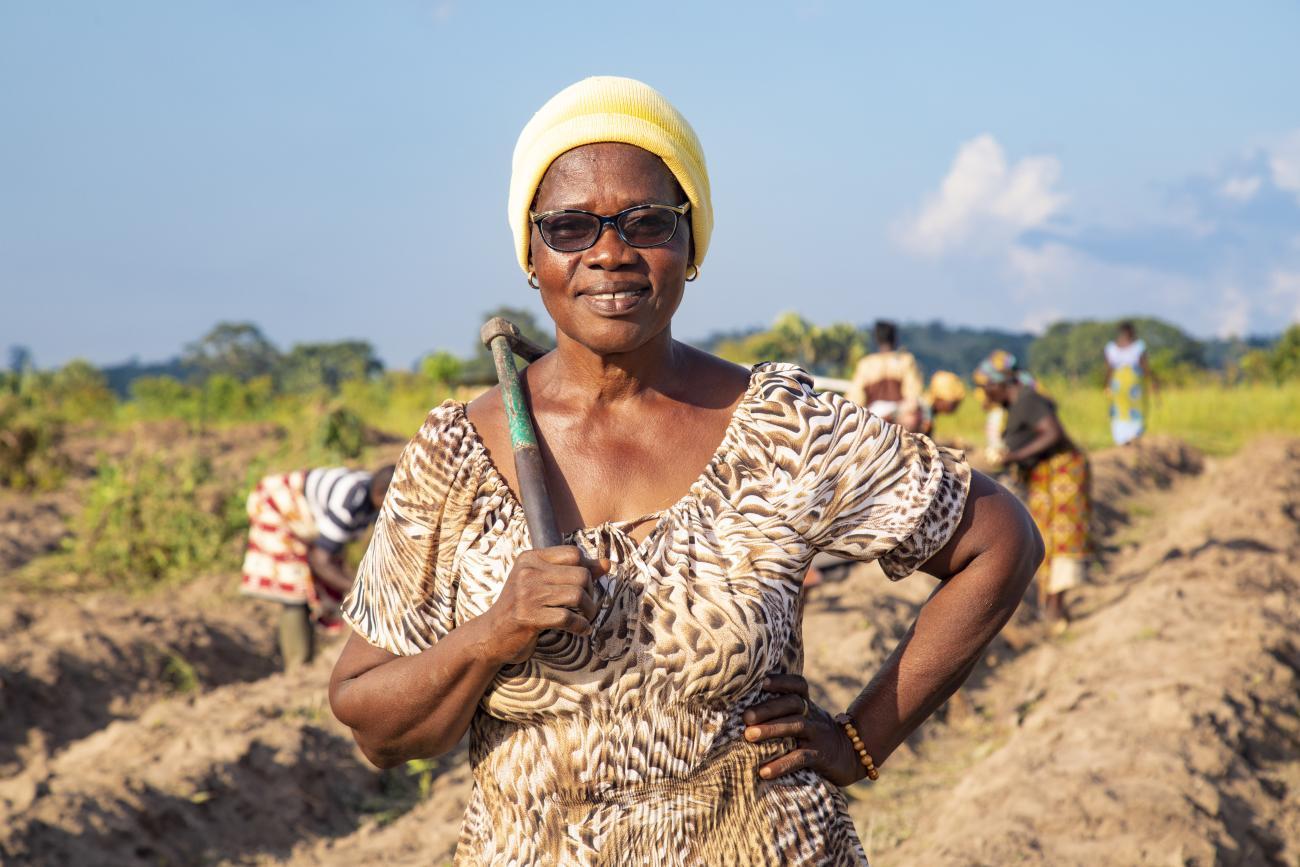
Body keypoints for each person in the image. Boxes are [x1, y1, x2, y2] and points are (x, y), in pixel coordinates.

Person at [329, 76, 1042, 865]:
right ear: (531, 256)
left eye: (648, 222)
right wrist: (496, 631)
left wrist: (862, 741)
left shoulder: (782, 427)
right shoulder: (459, 454)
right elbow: (376, 725)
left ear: (691, 244)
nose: (609, 251)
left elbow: (999, 540)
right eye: (570, 227)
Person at [975, 351, 1089, 630]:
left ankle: (1055, 607)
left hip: (1062, 473)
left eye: (986, 387)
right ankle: (1050, 606)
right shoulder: (1016, 404)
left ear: (1000, 383)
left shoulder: (1028, 400)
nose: (985, 393)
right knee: (1043, 536)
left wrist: (1012, 457)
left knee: (1060, 537)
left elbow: (1053, 433)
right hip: (1043, 475)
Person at [240, 464, 394, 669]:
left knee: (322, 585)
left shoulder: (370, 498)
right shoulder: (351, 501)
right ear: (380, 494)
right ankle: (298, 665)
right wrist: (360, 590)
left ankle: (306, 657)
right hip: (277, 507)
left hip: (306, 520)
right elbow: (321, 560)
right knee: (295, 589)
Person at [846, 320, 924, 426]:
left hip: (874, 417)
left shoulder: (866, 363)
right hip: (899, 418)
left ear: (876, 339)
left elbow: (856, 398)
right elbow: (913, 396)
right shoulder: (906, 360)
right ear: (894, 338)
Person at [1104, 320, 1157, 445]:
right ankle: (1123, 440)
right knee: (1120, 413)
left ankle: (1131, 439)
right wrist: (1106, 385)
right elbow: (1109, 369)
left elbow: (1108, 369)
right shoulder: (1112, 348)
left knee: (1132, 413)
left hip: (1132, 389)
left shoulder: (1137, 347)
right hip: (1121, 388)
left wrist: (1106, 384)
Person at [912, 370, 966, 437]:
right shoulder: (923, 416)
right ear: (940, 399)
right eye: (953, 403)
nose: (956, 407)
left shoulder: (927, 411)